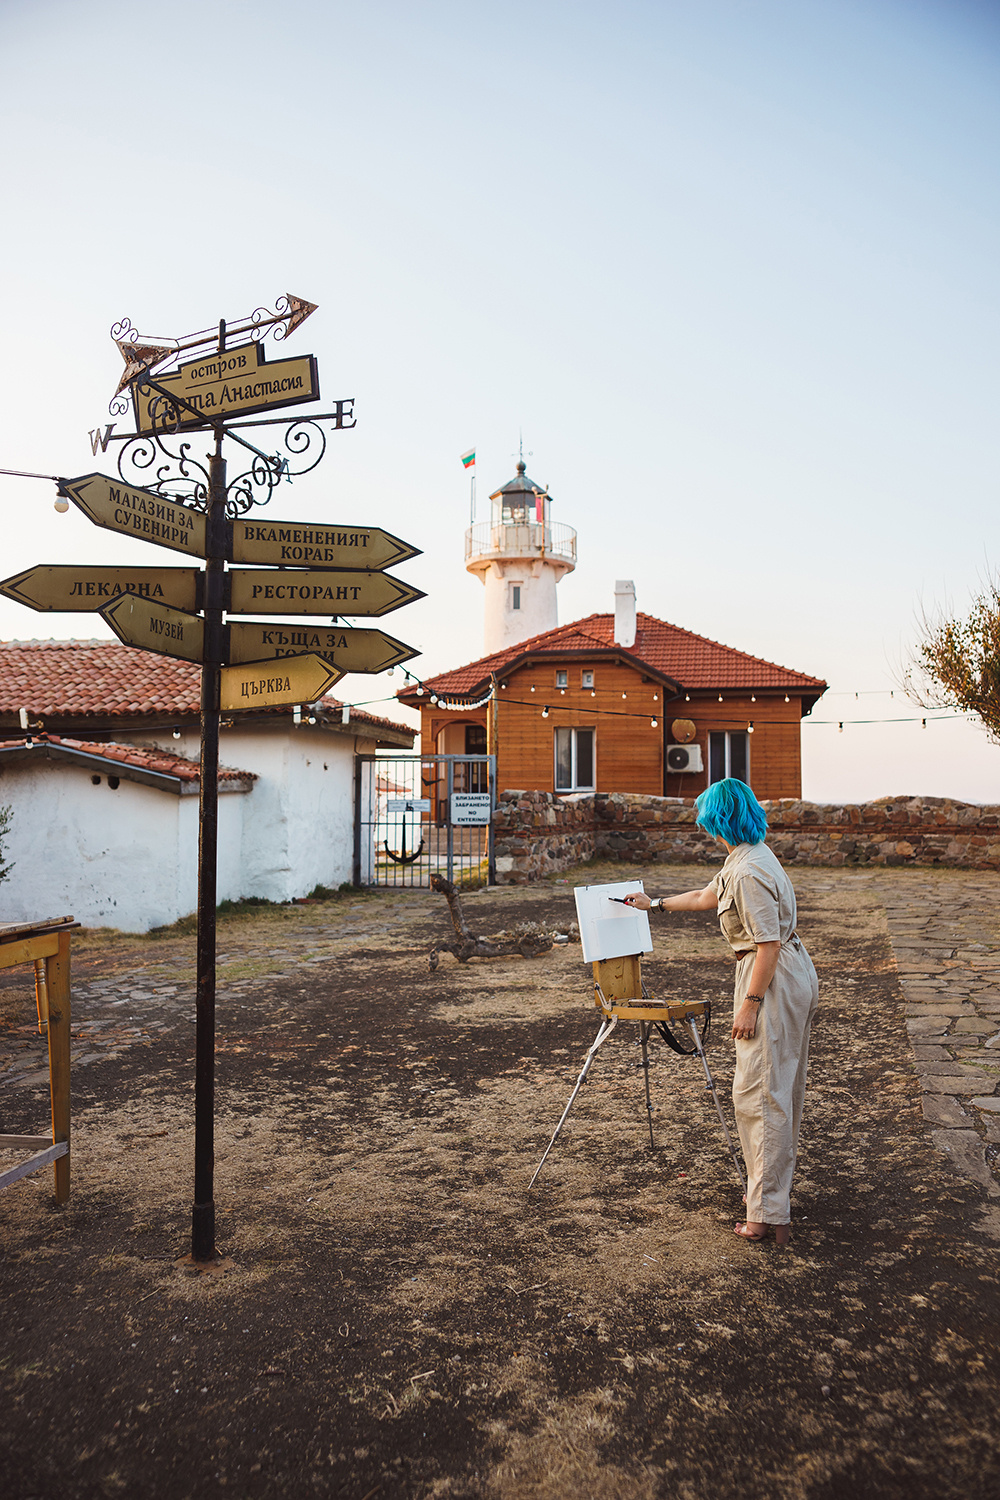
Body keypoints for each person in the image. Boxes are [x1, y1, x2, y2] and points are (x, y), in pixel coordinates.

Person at [623, 778, 818, 1246]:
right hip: (783, 973)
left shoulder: (749, 871)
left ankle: (766, 1217)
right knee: (775, 1092)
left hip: (769, 977)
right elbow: (707, 896)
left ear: (719, 820)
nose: (706, 830)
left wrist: (749, 1006)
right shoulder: (747, 857)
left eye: (708, 821)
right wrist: (655, 905)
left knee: (759, 1096)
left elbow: (767, 944)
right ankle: (774, 1209)